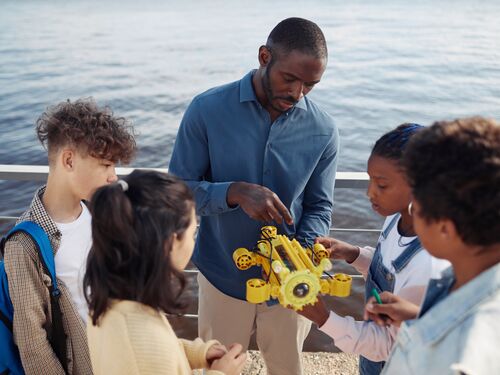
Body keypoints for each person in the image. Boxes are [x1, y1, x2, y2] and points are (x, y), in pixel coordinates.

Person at [169, 17, 338, 374]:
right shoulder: (206, 110)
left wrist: (301, 258)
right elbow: (176, 190)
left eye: (310, 84)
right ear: (264, 57)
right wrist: (233, 192)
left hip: (290, 289)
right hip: (222, 276)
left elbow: (319, 205)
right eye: (289, 78)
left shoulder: (324, 130)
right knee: (216, 368)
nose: (297, 93)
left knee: (288, 368)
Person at [298, 124, 449, 375]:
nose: (370, 193)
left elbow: (388, 345)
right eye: (370, 180)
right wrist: (354, 254)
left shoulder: (428, 263)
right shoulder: (397, 217)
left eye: (382, 185)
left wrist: (323, 317)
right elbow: (389, 270)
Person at [3, 98, 136, 374]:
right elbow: (33, 344)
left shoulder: (96, 213)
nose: (113, 176)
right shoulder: (24, 245)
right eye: (105, 165)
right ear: (69, 160)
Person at [363, 117, 500, 375]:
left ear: (445, 228)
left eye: (419, 207)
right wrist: (419, 314)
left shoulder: (461, 358)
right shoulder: (461, 280)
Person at [84, 170, 247, 375]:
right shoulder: (143, 338)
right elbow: (149, 356)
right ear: (170, 243)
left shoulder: (110, 305)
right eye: (192, 232)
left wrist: (197, 353)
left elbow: (157, 354)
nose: (193, 240)